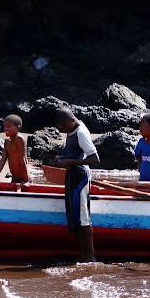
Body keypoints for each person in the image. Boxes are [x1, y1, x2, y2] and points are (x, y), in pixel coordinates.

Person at [54, 108, 100, 262]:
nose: (64, 130)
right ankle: (83, 255)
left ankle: (91, 257)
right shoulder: (72, 130)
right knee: (74, 219)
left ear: (72, 120)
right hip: (72, 176)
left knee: (83, 218)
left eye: (65, 127)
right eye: (62, 129)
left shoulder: (81, 132)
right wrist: (62, 160)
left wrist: (71, 162)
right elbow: (74, 153)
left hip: (80, 178)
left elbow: (95, 159)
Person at [0, 114, 30, 184]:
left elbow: (23, 160)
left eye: (9, 126)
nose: (5, 129)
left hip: (23, 179)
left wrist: (26, 181)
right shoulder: (7, 142)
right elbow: (2, 161)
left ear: (18, 128)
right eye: (5, 127)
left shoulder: (19, 139)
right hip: (14, 179)